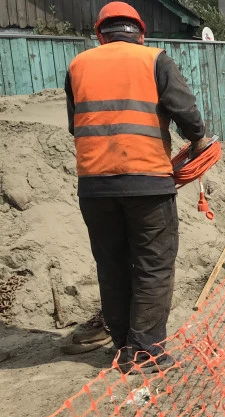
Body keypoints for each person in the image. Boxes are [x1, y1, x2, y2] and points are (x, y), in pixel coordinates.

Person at [64, 2, 209, 374]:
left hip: (95, 187)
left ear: (100, 34)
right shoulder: (155, 59)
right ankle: (145, 352)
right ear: (141, 32)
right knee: (153, 266)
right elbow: (187, 115)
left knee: (111, 267)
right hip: (147, 183)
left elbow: (74, 124)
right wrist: (198, 140)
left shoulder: (78, 66)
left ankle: (122, 347)